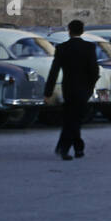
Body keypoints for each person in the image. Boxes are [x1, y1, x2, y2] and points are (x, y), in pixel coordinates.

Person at [43, 20, 100, 161]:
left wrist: (48, 92)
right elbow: (94, 70)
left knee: (70, 118)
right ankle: (75, 148)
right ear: (82, 31)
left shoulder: (62, 48)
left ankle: (69, 147)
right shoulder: (89, 47)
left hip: (68, 88)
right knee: (75, 119)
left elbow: (54, 71)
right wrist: (90, 87)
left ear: (69, 30)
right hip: (84, 89)